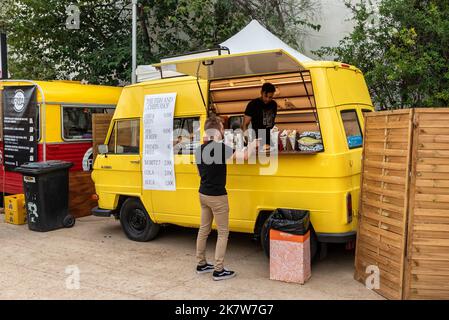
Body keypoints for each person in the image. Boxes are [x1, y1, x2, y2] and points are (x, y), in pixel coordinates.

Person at [195, 115, 259, 281]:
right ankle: (218, 270)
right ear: (218, 131)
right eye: (223, 129)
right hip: (217, 196)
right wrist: (253, 144)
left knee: (204, 229)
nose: (224, 131)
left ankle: (201, 264)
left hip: (203, 194)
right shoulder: (219, 148)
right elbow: (245, 157)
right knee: (223, 232)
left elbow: (203, 171)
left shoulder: (199, 149)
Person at [243, 82, 278, 150]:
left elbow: (272, 123)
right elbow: (245, 125)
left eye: (270, 97)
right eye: (266, 96)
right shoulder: (253, 104)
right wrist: (248, 141)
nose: (267, 99)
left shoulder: (274, 104)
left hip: (270, 141)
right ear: (261, 92)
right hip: (256, 141)